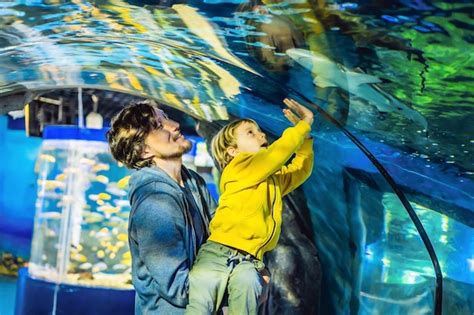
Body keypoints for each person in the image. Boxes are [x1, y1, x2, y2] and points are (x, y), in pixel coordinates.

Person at [185, 98, 314, 314]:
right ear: (233, 151)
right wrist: (304, 124)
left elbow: (300, 170)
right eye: (250, 133)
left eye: (260, 131)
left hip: (250, 262)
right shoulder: (239, 168)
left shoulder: (270, 179)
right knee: (200, 308)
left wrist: (306, 140)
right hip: (217, 255)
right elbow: (278, 153)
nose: (262, 135)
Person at [107, 100, 217, 314]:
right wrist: (239, 285)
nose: (175, 124)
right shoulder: (154, 203)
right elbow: (179, 288)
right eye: (159, 125)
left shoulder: (193, 181)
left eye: (166, 117)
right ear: (144, 151)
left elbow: (222, 235)